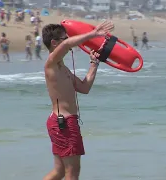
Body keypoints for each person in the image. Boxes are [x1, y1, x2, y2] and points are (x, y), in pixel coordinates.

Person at [42, 20, 114, 180]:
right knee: (72, 173)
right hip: (64, 124)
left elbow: (84, 88)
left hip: (61, 122)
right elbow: (67, 45)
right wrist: (94, 33)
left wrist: (93, 64)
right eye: (64, 39)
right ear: (54, 43)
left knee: (59, 172)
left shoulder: (63, 69)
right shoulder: (51, 64)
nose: (70, 45)